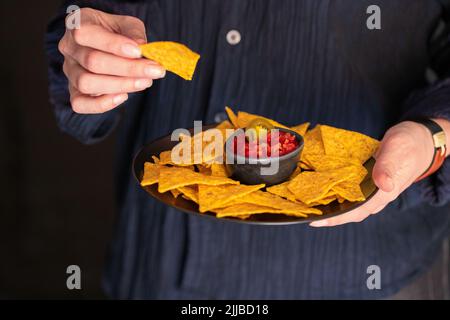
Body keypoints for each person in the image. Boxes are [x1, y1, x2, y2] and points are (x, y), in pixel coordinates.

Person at [46, 0, 450, 299]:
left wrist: (434, 134)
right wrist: (85, 61)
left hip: (364, 273)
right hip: (157, 265)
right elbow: (79, 28)